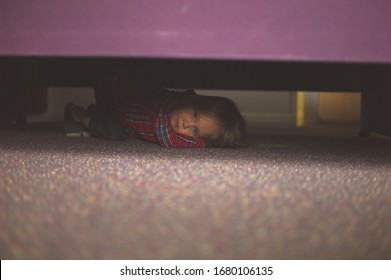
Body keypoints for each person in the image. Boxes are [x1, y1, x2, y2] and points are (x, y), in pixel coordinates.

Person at [64, 73, 247, 148]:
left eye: (195, 131)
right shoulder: (167, 103)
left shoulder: (176, 135)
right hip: (112, 91)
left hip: (120, 120)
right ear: (192, 100)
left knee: (114, 132)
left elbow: (173, 142)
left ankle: (81, 113)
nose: (186, 124)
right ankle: (81, 112)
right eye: (195, 115)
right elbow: (166, 137)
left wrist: (200, 143)